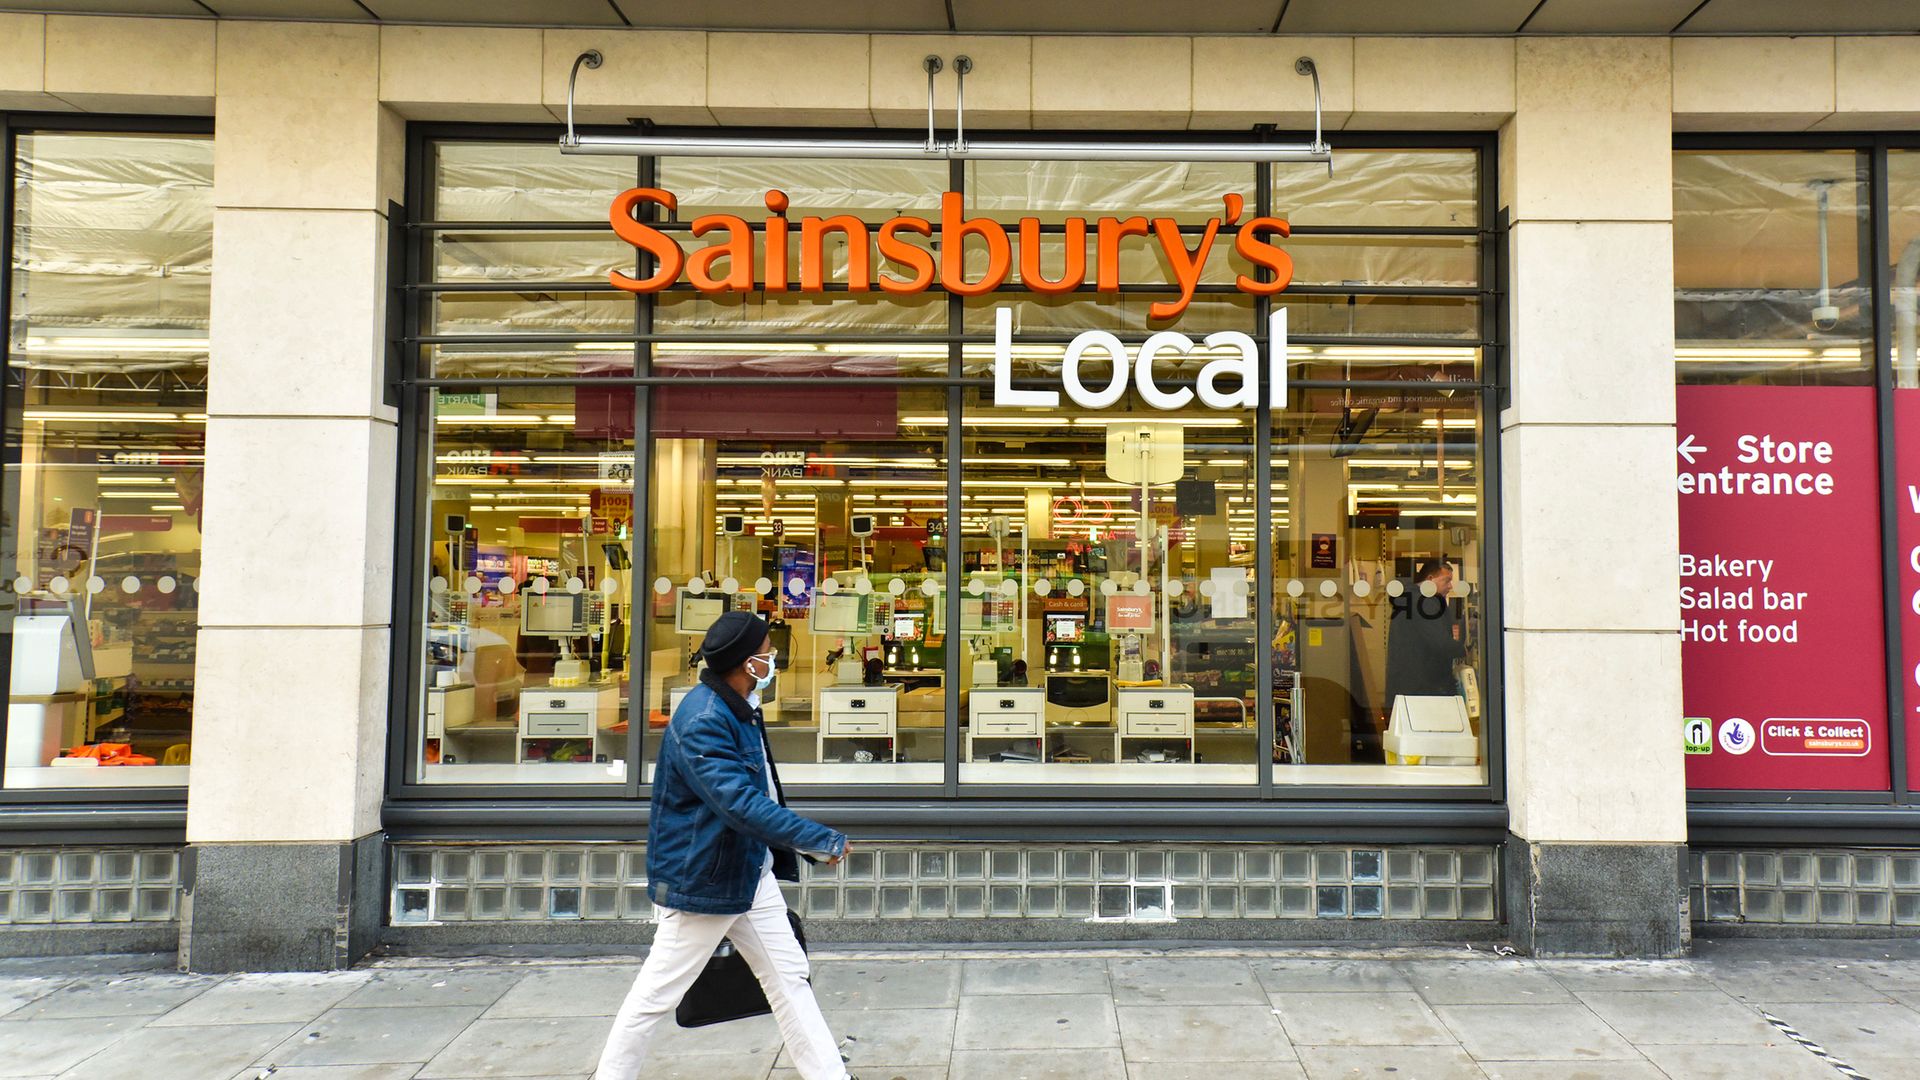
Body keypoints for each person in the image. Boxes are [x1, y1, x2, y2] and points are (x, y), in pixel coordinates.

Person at [595, 611, 851, 1080]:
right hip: (706, 879)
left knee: (789, 977)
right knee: (656, 995)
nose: (775, 656)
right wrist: (819, 839)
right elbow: (740, 803)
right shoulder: (706, 719)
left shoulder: (736, 705)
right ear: (748, 664)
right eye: (768, 650)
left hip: (746, 870)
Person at [1383, 558, 1465, 715]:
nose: (1450, 586)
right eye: (1446, 580)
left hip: (1408, 685)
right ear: (1429, 579)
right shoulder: (1424, 603)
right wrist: (1461, 649)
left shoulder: (1408, 600)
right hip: (1426, 688)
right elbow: (1439, 642)